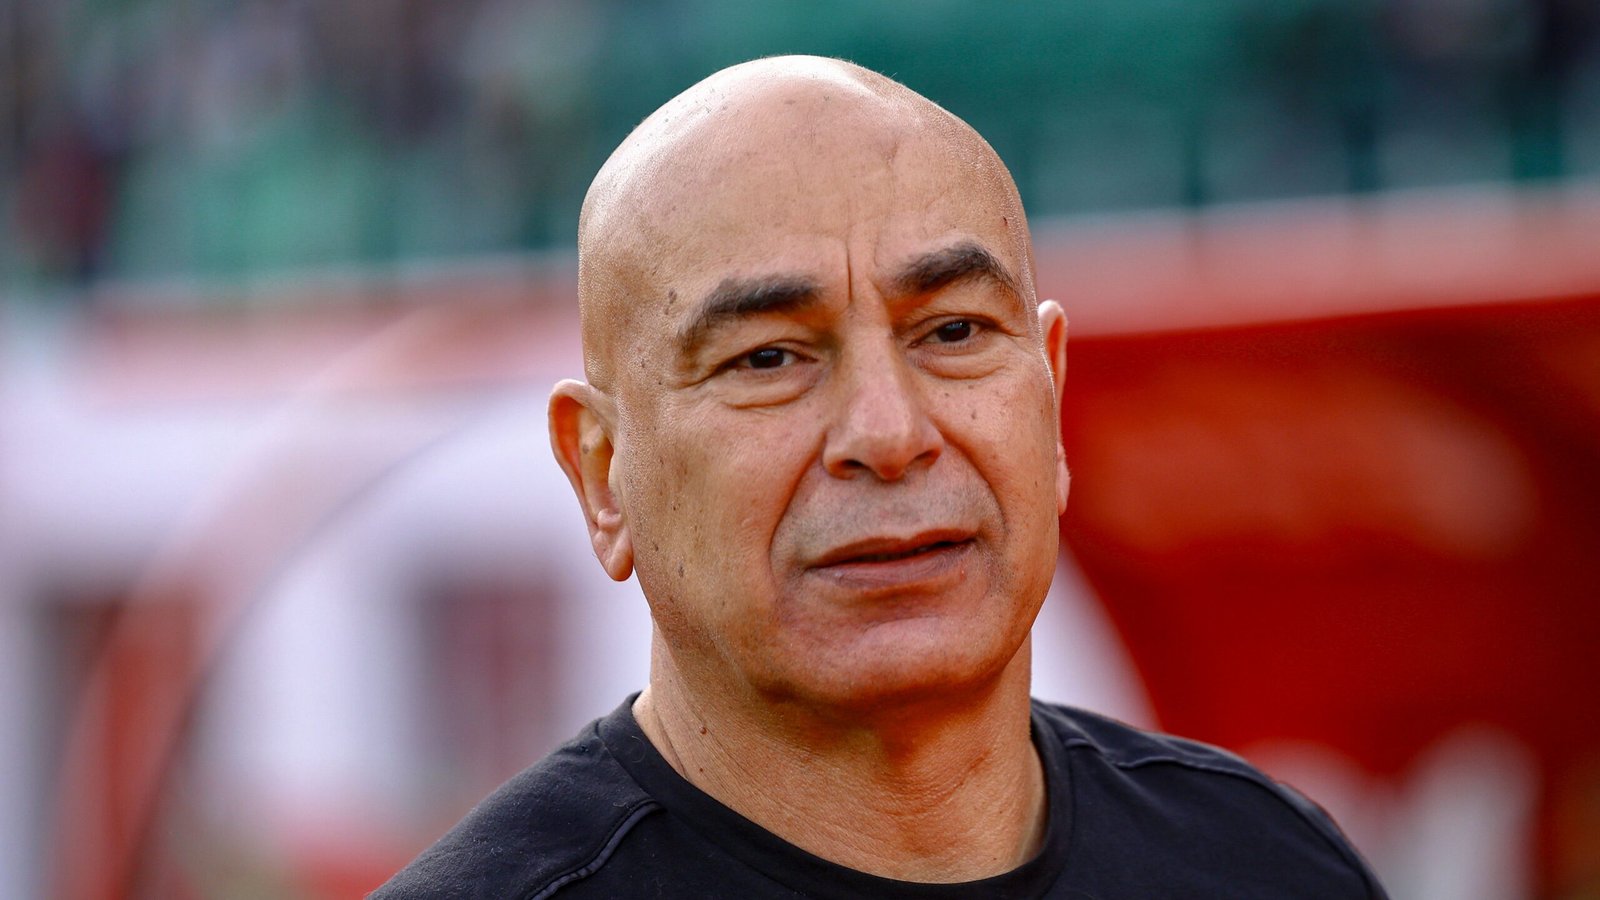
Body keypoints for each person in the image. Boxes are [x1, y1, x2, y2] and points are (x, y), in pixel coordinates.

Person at [373, 56, 1387, 898]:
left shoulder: (1264, 865)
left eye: (953, 332)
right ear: (601, 473)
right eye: (768, 358)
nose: (888, 434)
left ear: (1054, 394)